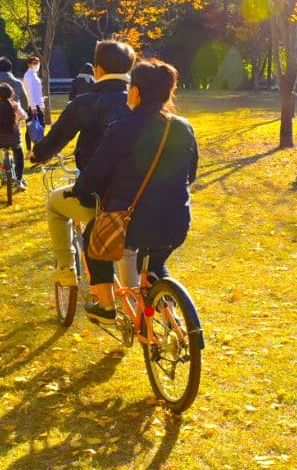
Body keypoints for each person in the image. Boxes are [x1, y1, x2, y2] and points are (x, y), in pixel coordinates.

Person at [68, 60, 198, 323]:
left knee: (94, 239)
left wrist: (79, 190)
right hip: (177, 221)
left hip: (132, 224)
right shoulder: (182, 127)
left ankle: (105, 307)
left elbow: (96, 173)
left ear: (136, 92)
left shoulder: (122, 128)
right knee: (155, 263)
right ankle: (171, 319)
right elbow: (191, 174)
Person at [29, 39, 137, 288]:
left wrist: (39, 154)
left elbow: (56, 138)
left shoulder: (85, 103)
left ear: (98, 70)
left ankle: (66, 268)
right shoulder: (140, 103)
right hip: (141, 193)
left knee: (55, 205)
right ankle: (134, 298)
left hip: (100, 194)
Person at [0, 83, 28, 192]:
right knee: (19, 156)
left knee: (2, 153)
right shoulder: (15, 106)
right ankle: (19, 180)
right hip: (15, 140)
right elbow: (25, 116)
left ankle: (2, 172)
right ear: (11, 94)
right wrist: (19, 118)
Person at [23, 56, 47, 149]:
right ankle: (30, 150)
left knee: (38, 126)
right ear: (29, 64)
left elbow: (36, 91)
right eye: (34, 63)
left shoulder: (34, 75)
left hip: (37, 104)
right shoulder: (29, 75)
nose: (36, 65)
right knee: (31, 127)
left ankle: (36, 147)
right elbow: (30, 92)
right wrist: (32, 106)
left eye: (37, 63)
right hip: (33, 106)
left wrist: (41, 100)